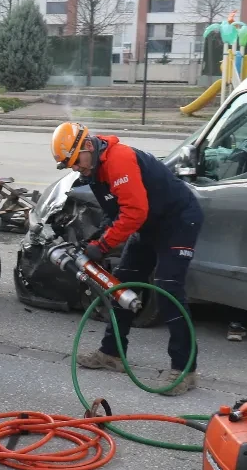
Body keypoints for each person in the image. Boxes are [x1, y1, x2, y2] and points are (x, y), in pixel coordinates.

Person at [53, 121, 204, 395]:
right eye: (70, 165)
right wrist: (96, 242)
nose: (76, 168)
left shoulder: (119, 160)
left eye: (76, 162)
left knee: (169, 289)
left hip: (178, 221)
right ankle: (111, 353)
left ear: (88, 146)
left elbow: (135, 212)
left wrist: (104, 244)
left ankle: (185, 370)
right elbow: (115, 212)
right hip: (149, 224)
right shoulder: (95, 171)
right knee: (120, 286)